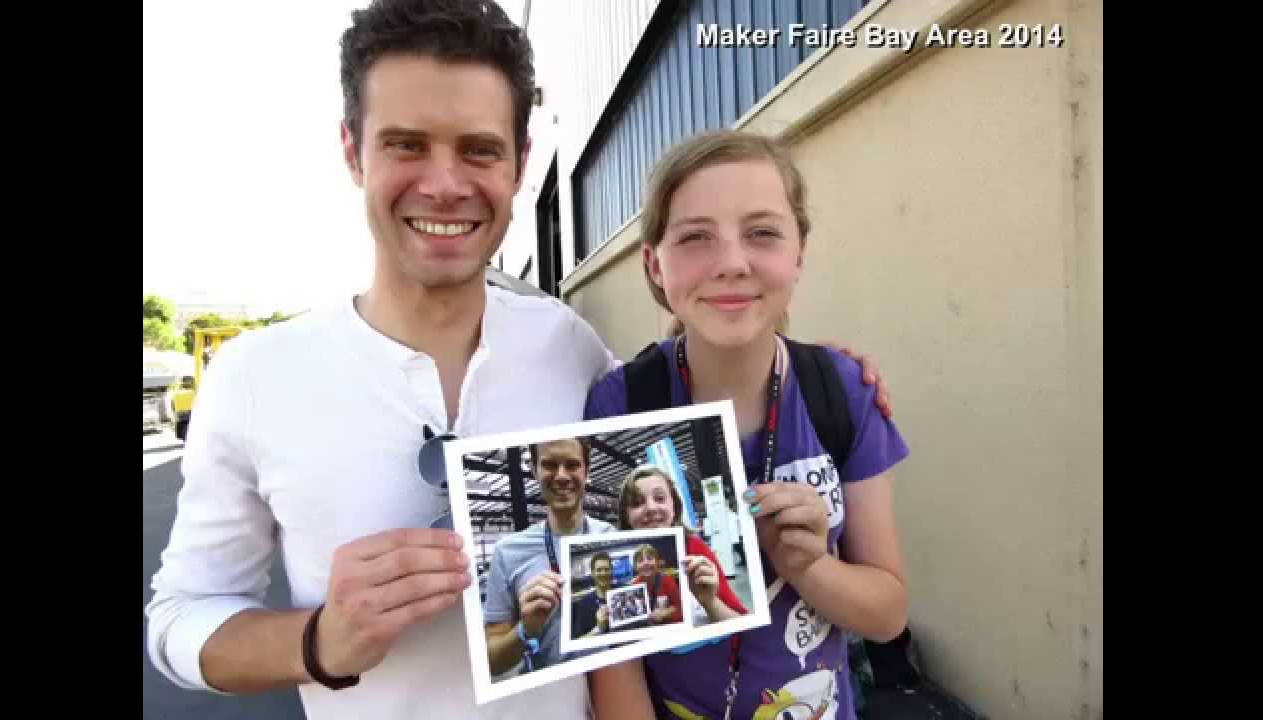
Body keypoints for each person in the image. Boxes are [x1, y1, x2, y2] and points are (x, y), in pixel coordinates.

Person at [144, 2, 892, 718]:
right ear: (353, 150)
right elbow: (179, 618)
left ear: (520, 164)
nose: (444, 183)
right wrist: (318, 641)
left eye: (478, 149)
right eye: (405, 144)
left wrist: (825, 370)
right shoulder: (254, 378)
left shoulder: (571, 349)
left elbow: (698, 394)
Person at [583, 130, 909, 720]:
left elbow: (888, 616)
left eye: (761, 233)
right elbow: (612, 650)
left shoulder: (840, 390)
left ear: (798, 252)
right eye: (695, 237)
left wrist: (811, 567)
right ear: (655, 264)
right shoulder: (622, 403)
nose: (732, 263)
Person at [484, 438, 613, 674]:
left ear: (587, 471)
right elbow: (491, 661)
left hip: (614, 678)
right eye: (550, 465)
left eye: (572, 465)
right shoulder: (508, 552)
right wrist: (526, 629)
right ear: (535, 470)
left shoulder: (610, 536)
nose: (562, 476)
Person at [616, 464, 748, 625]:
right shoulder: (633, 585)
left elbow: (741, 624)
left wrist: (710, 602)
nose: (650, 508)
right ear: (626, 515)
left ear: (674, 507)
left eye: (659, 498)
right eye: (637, 503)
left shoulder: (694, 548)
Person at [627, 544, 682, 626]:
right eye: (640, 560)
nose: (645, 563)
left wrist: (666, 613)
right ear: (635, 566)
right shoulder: (634, 586)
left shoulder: (668, 581)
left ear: (657, 562)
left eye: (649, 558)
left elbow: (680, 607)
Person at [570, 552, 616, 639]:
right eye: (599, 570)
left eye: (606, 569)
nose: (603, 573)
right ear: (592, 573)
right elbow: (577, 642)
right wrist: (598, 629)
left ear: (612, 570)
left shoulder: (624, 591)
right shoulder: (584, 604)